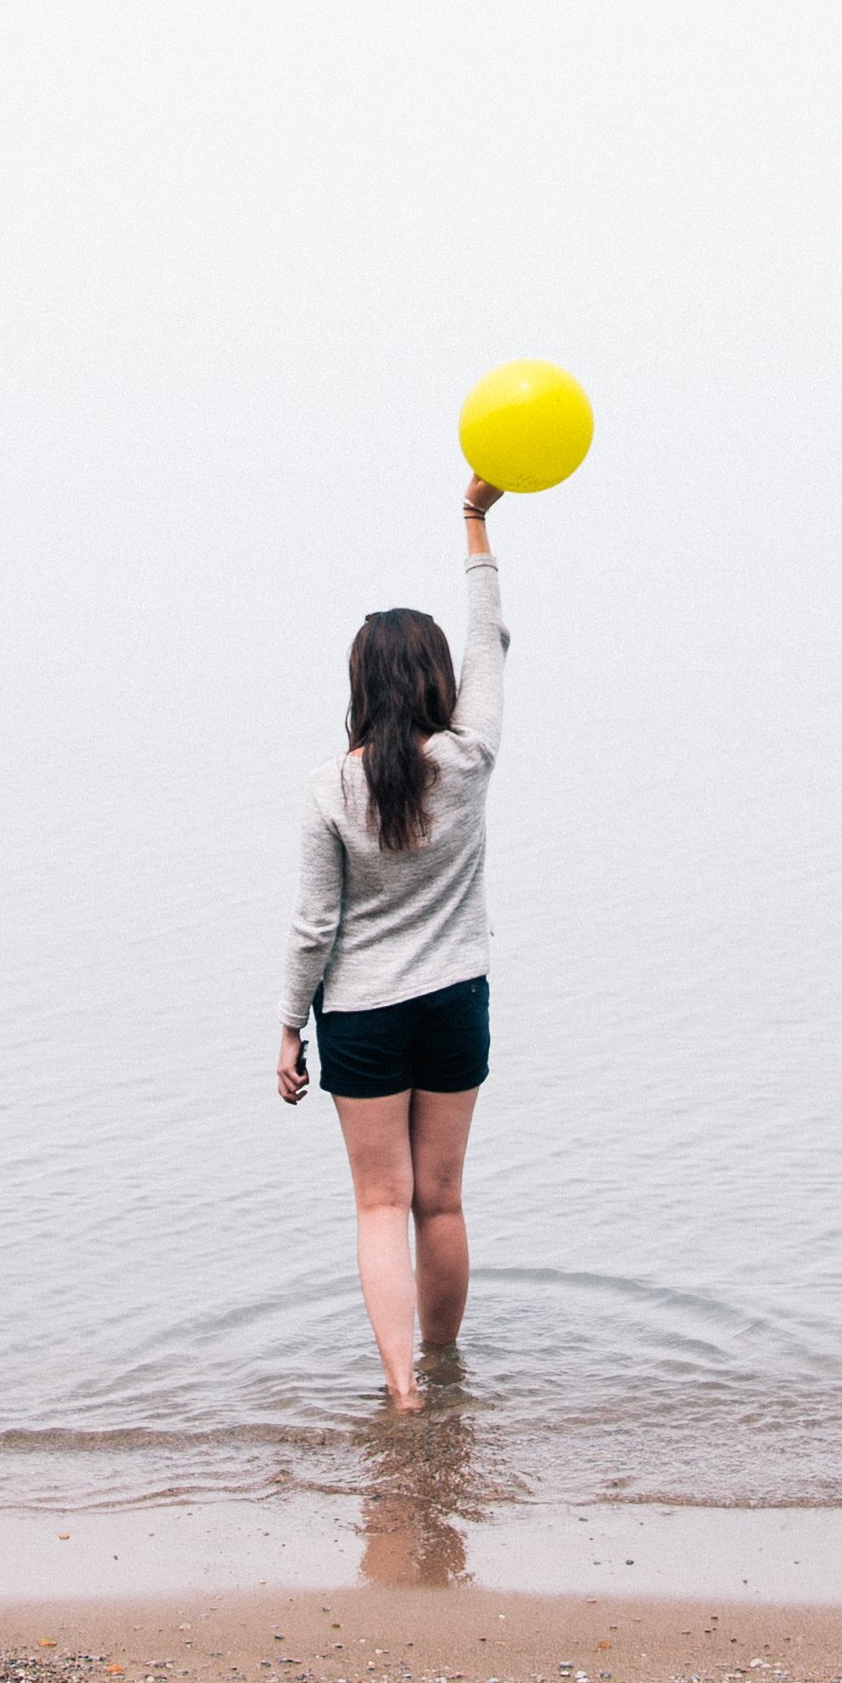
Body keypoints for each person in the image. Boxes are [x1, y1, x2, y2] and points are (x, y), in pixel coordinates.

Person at [274, 475, 512, 1411]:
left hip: (363, 1014)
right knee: (440, 1203)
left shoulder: (331, 789)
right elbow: (488, 647)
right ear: (436, 680)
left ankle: (402, 1389)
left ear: (358, 686)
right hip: (455, 1000)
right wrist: (474, 521)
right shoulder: (469, 759)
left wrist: (290, 1028)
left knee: (379, 1205)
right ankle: (446, 1369)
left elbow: (312, 926)